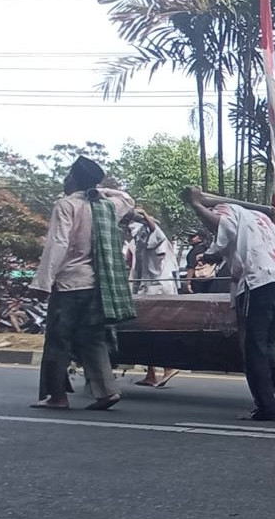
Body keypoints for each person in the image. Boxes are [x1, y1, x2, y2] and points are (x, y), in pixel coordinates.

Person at [29, 156, 136, 411]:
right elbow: (128, 199)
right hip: (96, 285)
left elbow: (58, 244)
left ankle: (57, 396)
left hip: (69, 284)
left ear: (75, 179)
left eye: (69, 176)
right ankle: (107, 391)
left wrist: (43, 282)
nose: (65, 180)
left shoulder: (66, 205)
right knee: (93, 339)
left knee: (58, 341)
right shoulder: (106, 206)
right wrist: (97, 189)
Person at [186, 189, 275, 422]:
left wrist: (197, 205)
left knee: (253, 346)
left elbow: (223, 227)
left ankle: (266, 406)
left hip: (257, 281)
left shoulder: (228, 209)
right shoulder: (261, 219)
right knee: (265, 342)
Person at [128, 209, 181, 388]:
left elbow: (154, 230)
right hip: (148, 288)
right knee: (144, 332)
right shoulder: (141, 242)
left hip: (159, 290)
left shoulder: (158, 238)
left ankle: (168, 366)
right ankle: (151, 373)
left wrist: (144, 215)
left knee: (154, 332)